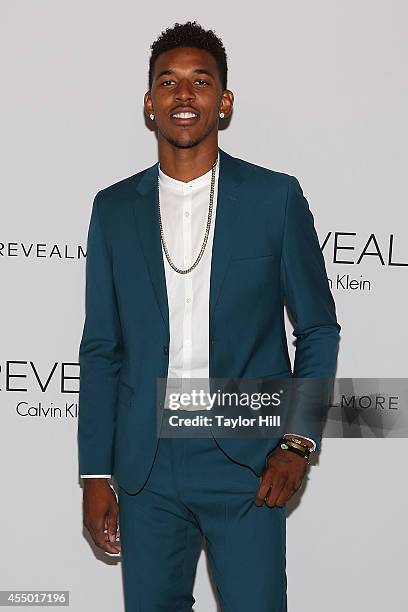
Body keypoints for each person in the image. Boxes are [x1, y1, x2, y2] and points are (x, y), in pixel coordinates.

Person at [78, 20, 341, 612]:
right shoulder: (114, 209)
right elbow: (101, 347)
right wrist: (95, 474)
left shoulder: (275, 197)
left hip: (245, 456)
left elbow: (318, 328)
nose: (184, 94)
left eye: (201, 81)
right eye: (168, 82)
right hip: (146, 461)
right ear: (150, 103)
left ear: (223, 102)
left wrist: (296, 444)